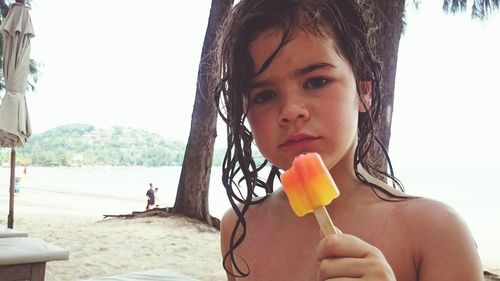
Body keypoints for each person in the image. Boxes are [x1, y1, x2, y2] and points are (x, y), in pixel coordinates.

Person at [212, 0, 483, 280]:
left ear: (364, 90)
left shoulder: (437, 232)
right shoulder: (238, 228)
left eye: (316, 81)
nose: (291, 111)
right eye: (264, 96)